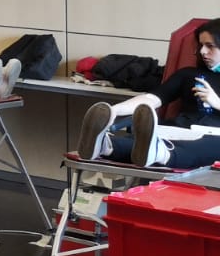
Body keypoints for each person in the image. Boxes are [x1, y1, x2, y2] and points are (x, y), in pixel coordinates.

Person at [77, 26, 220, 168]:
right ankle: (105, 146)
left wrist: (217, 103)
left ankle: (161, 154)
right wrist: (113, 111)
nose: (202, 51)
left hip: (212, 138)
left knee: (212, 145)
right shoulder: (188, 74)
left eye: (210, 46)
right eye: (201, 45)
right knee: (145, 141)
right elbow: (152, 98)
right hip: (178, 131)